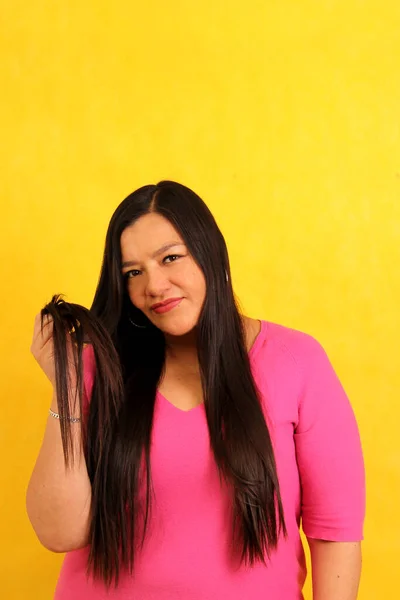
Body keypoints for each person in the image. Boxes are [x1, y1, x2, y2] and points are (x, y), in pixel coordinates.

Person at [27, 180, 366, 600]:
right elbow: (60, 532)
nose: (153, 285)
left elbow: (335, 532)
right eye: (133, 272)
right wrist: (67, 385)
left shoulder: (296, 361)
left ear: (211, 252)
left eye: (170, 258)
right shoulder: (102, 368)